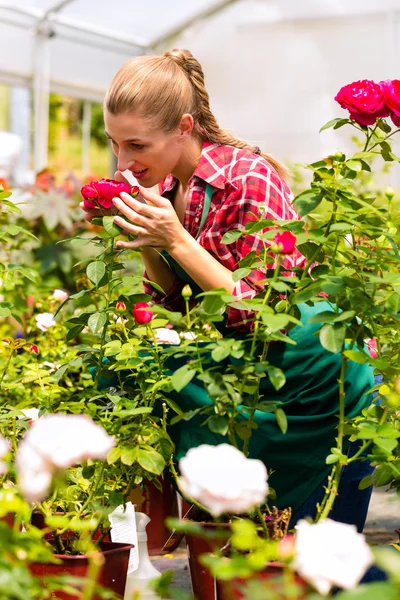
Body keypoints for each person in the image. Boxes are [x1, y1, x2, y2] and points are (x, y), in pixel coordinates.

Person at [81, 48, 374, 532]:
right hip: (260, 378)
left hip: (319, 381)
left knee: (323, 555)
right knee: (117, 375)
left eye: (136, 145)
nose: (123, 162)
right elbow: (181, 306)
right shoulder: (170, 188)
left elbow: (261, 310)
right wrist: (147, 241)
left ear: (183, 126)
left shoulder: (245, 177)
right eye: (115, 144)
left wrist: (175, 237)